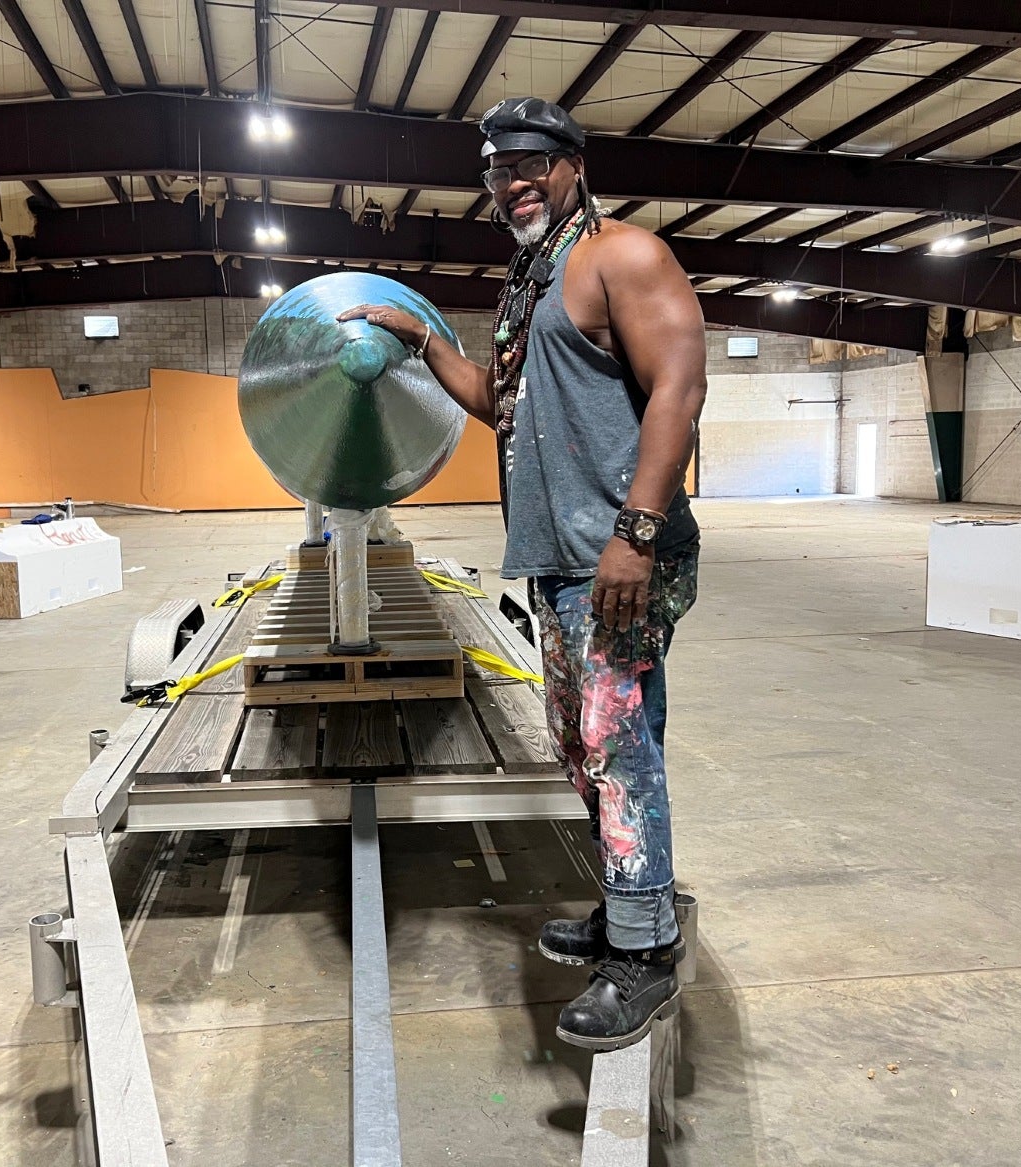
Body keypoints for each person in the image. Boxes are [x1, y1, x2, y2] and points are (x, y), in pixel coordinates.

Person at [339, 96, 707, 1052]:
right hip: (559, 559)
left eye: (532, 162)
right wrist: (420, 339)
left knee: (617, 743)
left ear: (574, 163)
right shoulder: (533, 281)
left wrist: (636, 530)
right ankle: (633, 911)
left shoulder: (621, 255)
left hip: (615, 553)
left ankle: (644, 960)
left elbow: (682, 380)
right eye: (498, 168)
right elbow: (497, 401)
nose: (513, 182)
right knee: (582, 746)